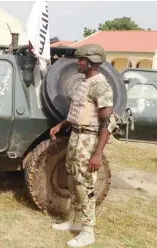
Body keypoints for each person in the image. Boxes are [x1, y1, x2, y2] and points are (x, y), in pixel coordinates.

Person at [49, 44, 118, 247]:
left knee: (84, 184)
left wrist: (98, 154)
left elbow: (108, 122)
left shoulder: (101, 86)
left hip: (89, 140)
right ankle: (74, 221)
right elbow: (79, 110)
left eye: (80, 60)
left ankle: (88, 230)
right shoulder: (85, 82)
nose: (77, 63)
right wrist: (62, 124)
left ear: (90, 63)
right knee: (72, 179)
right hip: (76, 136)